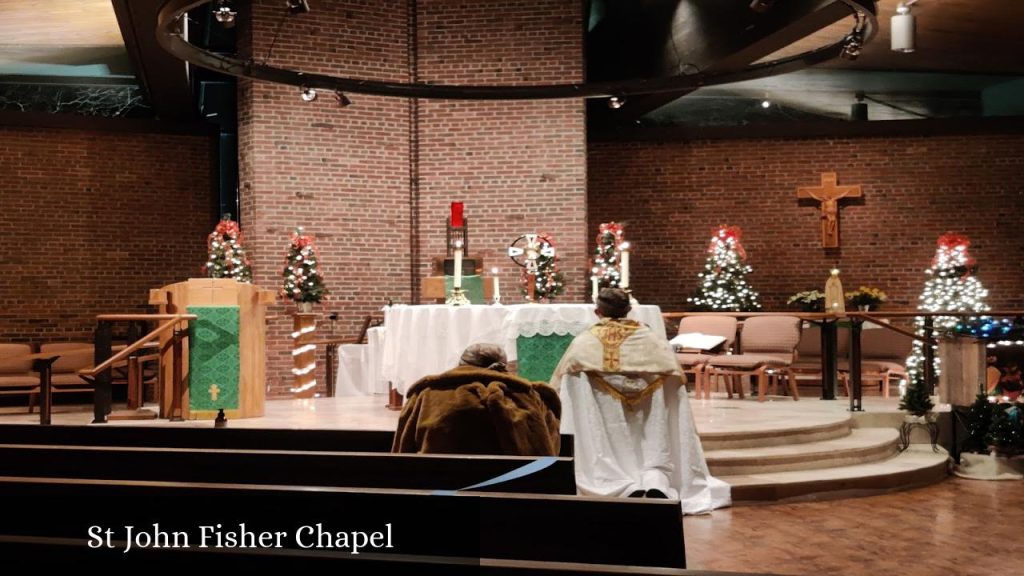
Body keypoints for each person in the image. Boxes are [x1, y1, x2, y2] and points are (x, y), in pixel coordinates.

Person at [551, 288, 730, 513]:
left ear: (598, 312)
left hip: (604, 413)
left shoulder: (584, 344)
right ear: (629, 310)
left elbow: (569, 386)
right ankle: (656, 480)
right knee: (653, 436)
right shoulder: (652, 340)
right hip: (648, 409)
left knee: (604, 439)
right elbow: (673, 380)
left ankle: (617, 482)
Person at [392, 343, 561, 456]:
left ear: (461, 364)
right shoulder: (527, 396)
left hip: (438, 492)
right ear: (504, 366)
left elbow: (403, 450)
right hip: (510, 497)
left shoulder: (426, 393)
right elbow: (550, 448)